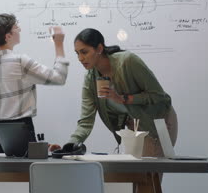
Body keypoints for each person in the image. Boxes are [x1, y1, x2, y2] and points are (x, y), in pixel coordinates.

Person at [68, 28, 178, 158]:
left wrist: (123, 98)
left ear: (99, 48)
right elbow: (86, 121)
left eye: (84, 52)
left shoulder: (128, 61)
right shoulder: (90, 79)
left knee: (149, 175)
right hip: (135, 128)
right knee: (135, 175)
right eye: (77, 53)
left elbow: (159, 96)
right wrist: (69, 146)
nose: (80, 58)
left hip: (159, 121)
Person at [0, 13, 68, 153]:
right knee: (24, 174)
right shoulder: (21, 62)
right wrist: (59, 44)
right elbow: (59, 78)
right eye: (16, 27)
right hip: (21, 133)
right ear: (8, 36)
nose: (20, 29)